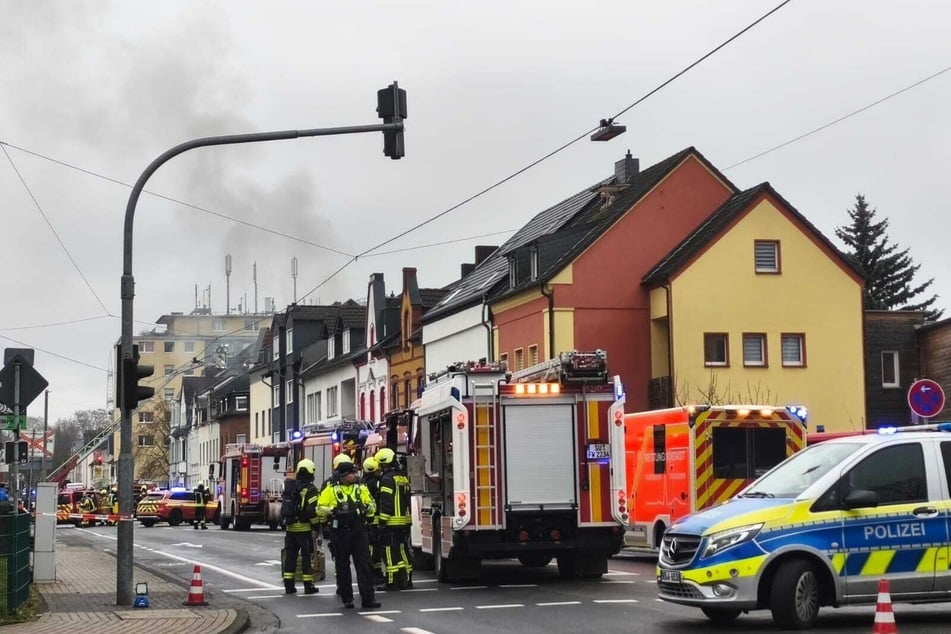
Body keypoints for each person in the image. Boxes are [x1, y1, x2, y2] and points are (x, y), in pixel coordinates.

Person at [317, 461, 380, 609]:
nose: (355, 475)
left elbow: (372, 505)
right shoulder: (331, 490)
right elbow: (319, 508)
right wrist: (334, 511)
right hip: (340, 531)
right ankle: (347, 599)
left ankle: (368, 599)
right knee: (342, 566)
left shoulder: (361, 488)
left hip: (359, 530)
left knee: (364, 565)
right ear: (343, 475)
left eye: (356, 472)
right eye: (352, 473)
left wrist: (365, 509)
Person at [282, 459, 321, 595]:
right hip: (304, 529)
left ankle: (289, 586)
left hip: (290, 528)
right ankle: (308, 586)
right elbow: (312, 511)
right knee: (306, 557)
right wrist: (316, 526)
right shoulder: (311, 490)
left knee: (290, 557)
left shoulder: (291, 486)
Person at [377, 447, 413, 590]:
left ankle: (391, 582)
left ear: (384, 463)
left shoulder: (386, 479)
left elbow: (386, 502)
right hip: (404, 521)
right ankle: (408, 579)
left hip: (391, 522)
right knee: (403, 550)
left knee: (389, 552)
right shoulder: (402, 477)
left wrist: (382, 522)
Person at [361, 456, 386, 588]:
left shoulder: (361, 484)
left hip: (365, 521)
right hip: (376, 520)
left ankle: (369, 574)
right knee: (377, 549)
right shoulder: (378, 483)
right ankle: (377, 574)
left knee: (368, 549)